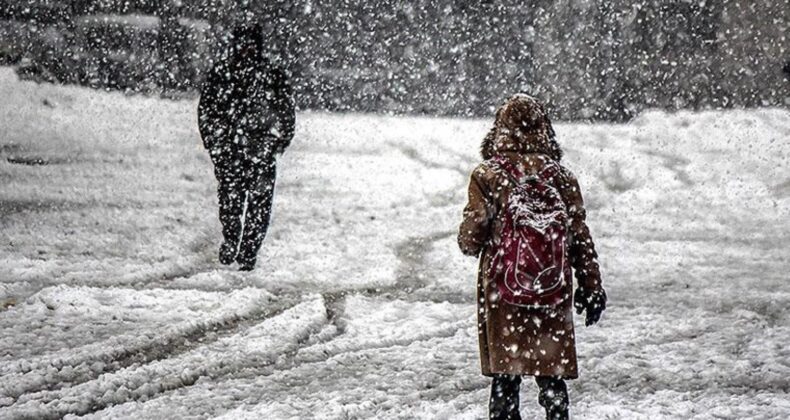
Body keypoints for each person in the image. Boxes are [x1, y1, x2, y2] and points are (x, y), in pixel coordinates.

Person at [458, 94, 607, 420]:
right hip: (551, 290)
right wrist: (591, 285)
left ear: (500, 130)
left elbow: (473, 236)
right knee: (551, 374)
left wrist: (470, 242)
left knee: (505, 379)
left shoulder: (487, 175)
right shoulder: (562, 177)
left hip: (504, 290)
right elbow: (579, 237)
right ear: (545, 130)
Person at [198, 24, 295, 271]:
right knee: (230, 201)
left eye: (251, 43)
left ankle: (248, 252)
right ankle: (231, 239)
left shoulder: (271, 75)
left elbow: (286, 112)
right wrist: (214, 143)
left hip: (260, 151)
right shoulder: (222, 74)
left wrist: (277, 142)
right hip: (230, 151)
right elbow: (206, 110)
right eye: (243, 43)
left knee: (259, 207)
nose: (247, 49)